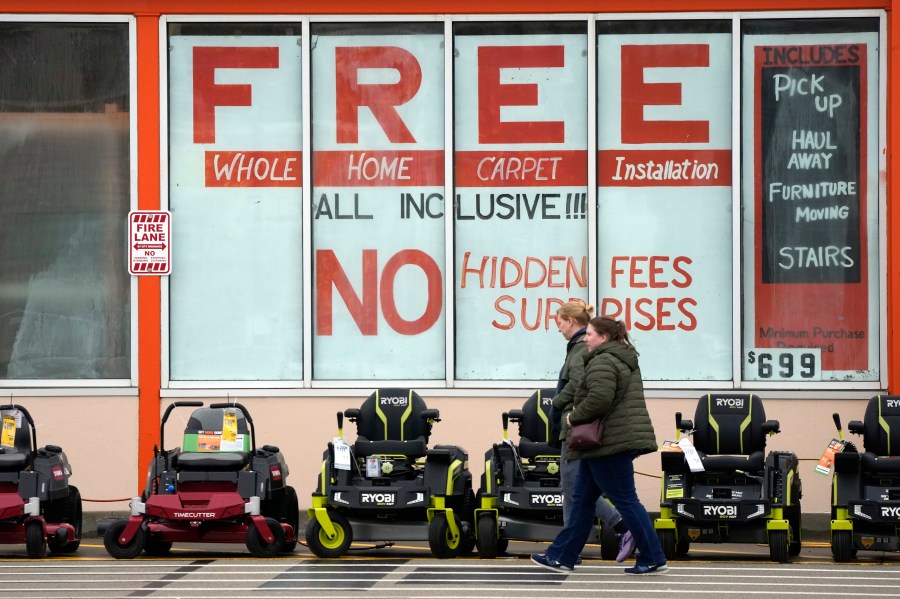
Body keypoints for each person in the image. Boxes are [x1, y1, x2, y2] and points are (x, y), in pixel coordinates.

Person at [532, 315, 667, 575]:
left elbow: (599, 400)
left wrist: (573, 416)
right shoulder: (616, 357)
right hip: (606, 443)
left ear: (603, 338)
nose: (586, 338)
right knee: (582, 501)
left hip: (609, 444)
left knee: (626, 501)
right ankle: (562, 556)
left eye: (591, 334)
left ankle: (653, 556)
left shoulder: (604, 360)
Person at [549, 300, 635, 563]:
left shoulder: (577, 350)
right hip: (577, 428)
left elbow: (576, 383)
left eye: (560, 323)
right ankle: (569, 553)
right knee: (574, 490)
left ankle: (620, 524)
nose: (558, 329)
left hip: (575, 428)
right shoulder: (578, 347)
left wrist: (557, 403)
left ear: (572, 322)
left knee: (575, 490)